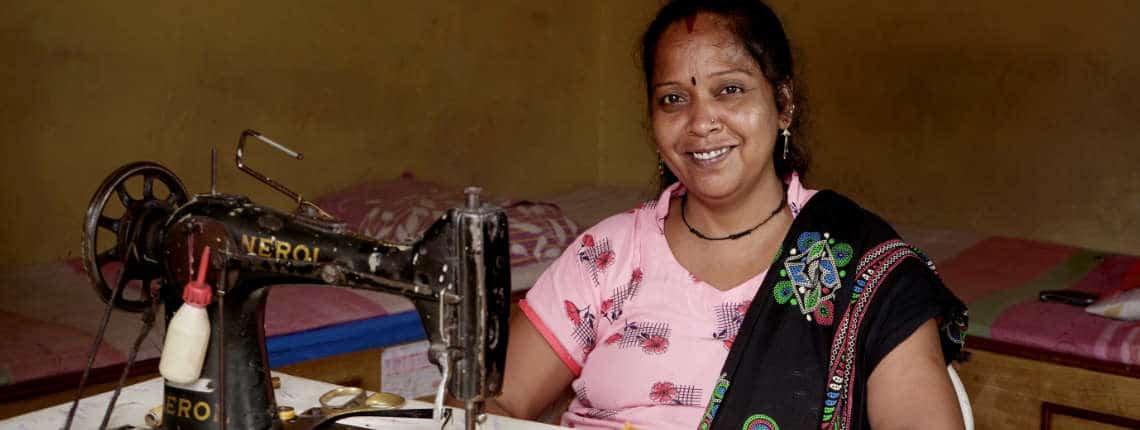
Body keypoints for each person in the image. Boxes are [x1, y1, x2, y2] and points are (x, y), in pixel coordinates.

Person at [487, 1, 968, 429]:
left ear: (783, 104)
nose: (701, 123)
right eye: (674, 99)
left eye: (730, 90)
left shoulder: (859, 266)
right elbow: (496, 404)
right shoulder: (608, 256)